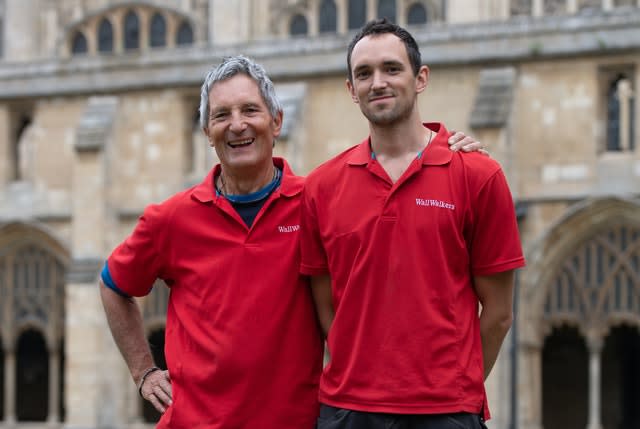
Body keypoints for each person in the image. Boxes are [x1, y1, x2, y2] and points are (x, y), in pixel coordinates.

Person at [99, 55, 484, 428]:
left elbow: (397, 215)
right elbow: (113, 285)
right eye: (221, 115)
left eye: (250, 110)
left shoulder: (321, 199)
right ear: (206, 132)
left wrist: (445, 151)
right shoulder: (171, 219)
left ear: (277, 121)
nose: (237, 125)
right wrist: (144, 371)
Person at [299, 19, 526, 429]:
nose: (378, 82)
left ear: (420, 78)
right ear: (351, 90)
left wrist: (456, 389)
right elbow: (325, 303)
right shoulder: (321, 187)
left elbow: (499, 313)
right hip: (349, 411)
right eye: (363, 74)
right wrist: (364, 372)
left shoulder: (478, 175)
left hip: (445, 413)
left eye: (391, 68)